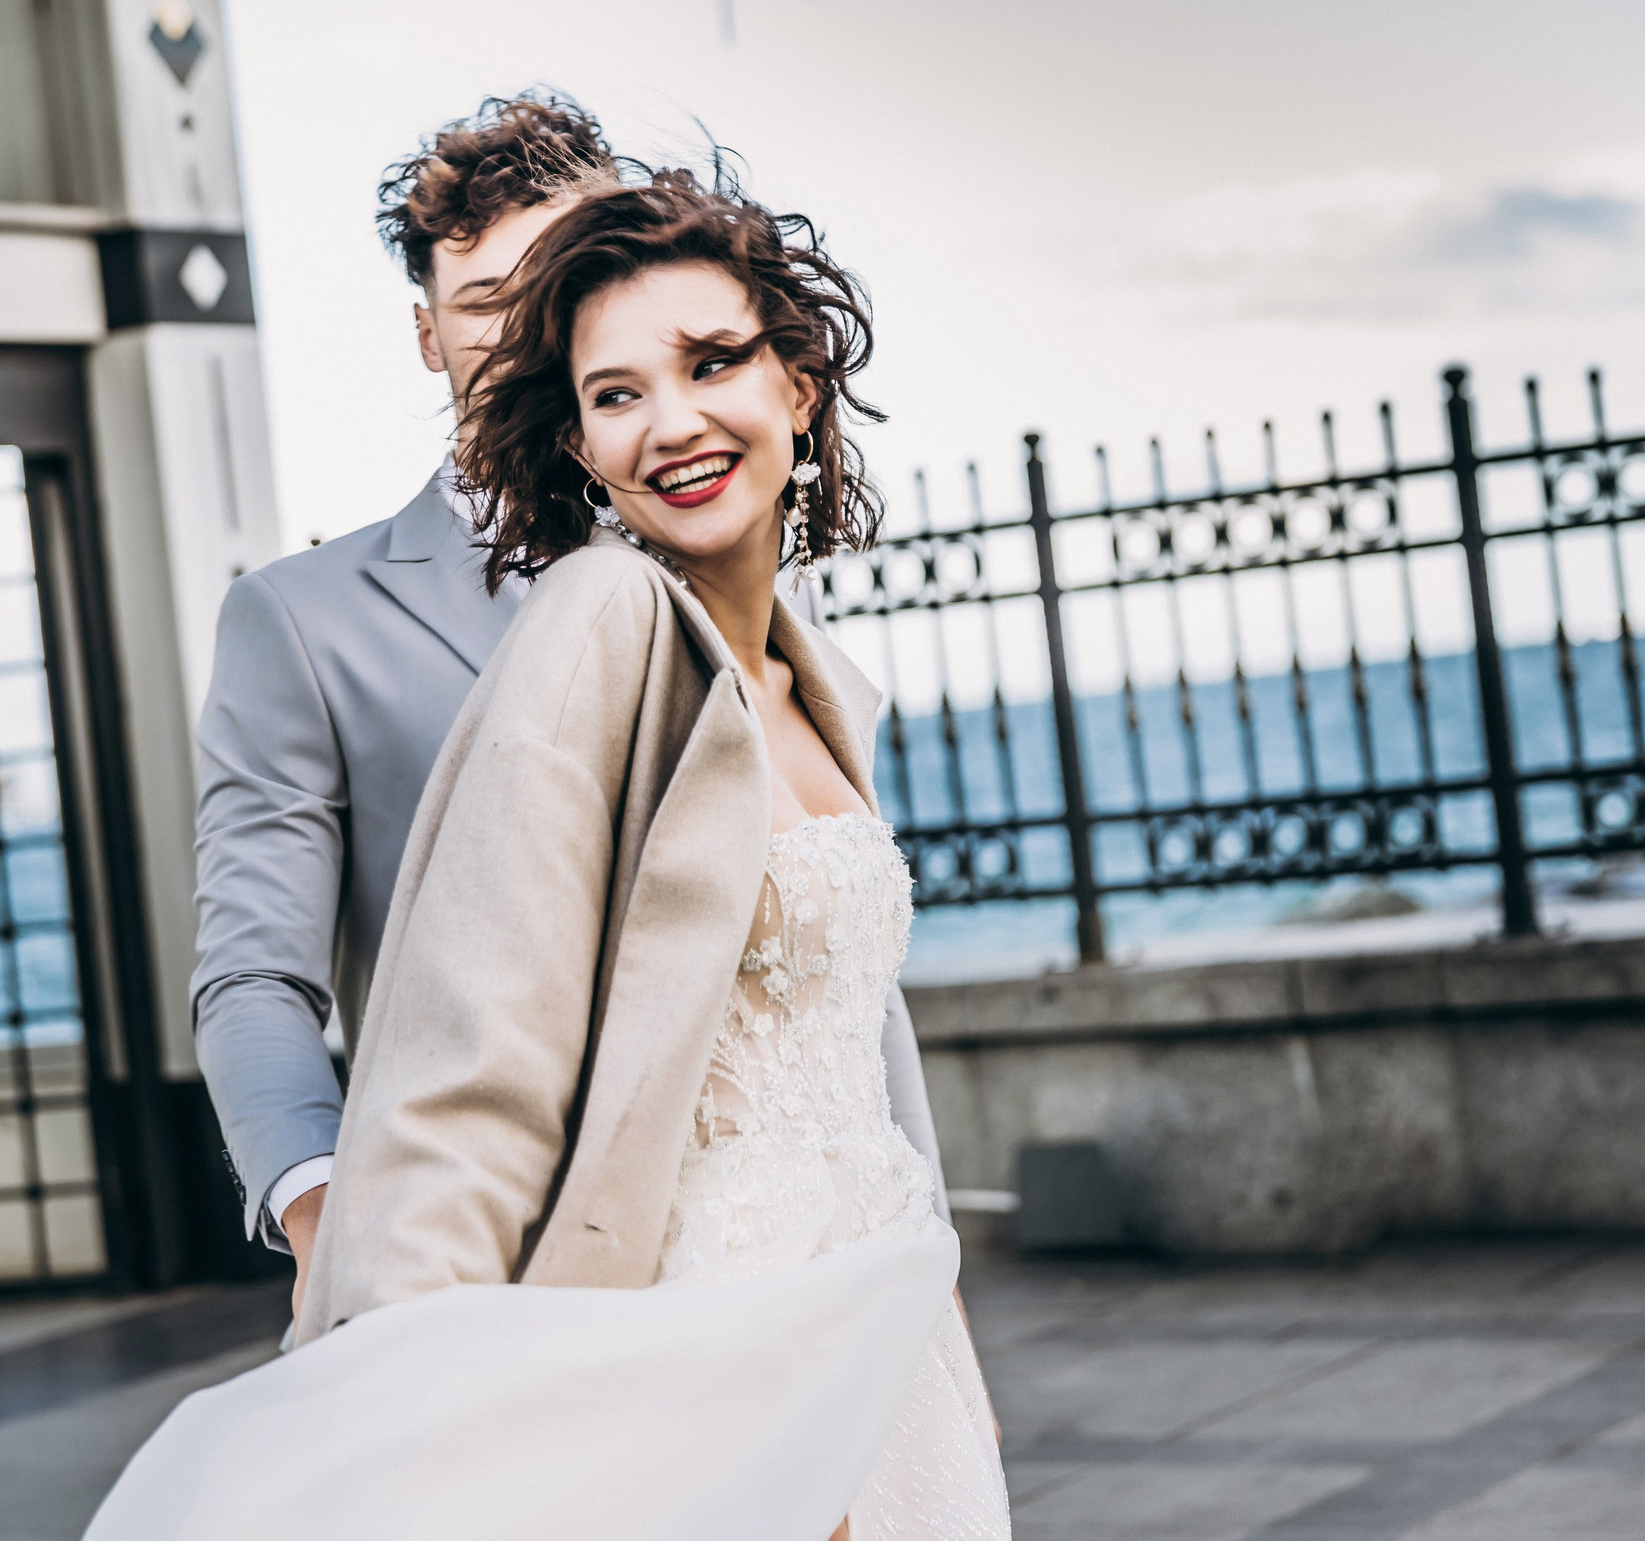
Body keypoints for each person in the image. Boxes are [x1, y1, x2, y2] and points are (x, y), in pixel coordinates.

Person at [92, 171, 1007, 1540]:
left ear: (800, 384)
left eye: (711, 361)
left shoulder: (810, 668)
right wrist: (381, 1305)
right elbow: (456, 1039)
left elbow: (854, 1029)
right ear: (567, 423)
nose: (673, 416)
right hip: (680, 1298)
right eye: (616, 386)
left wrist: (932, 1292)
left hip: (872, 1302)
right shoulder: (586, 617)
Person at [188, 95, 948, 1324]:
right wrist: (331, 1223)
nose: (534, 328)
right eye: (491, 302)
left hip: (805, 1249)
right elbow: (256, 978)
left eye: (565, 281)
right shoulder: (304, 623)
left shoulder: (732, 570)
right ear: (428, 335)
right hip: (510, 1260)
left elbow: (833, 977)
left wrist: (930, 1250)